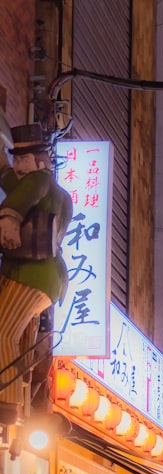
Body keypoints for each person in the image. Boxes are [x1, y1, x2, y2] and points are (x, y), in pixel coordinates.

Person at [0, 123, 72, 423]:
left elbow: (21, 196)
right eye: (16, 160)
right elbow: (9, 180)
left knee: (3, 332)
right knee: (21, 341)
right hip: (50, 279)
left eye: (23, 161)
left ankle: (7, 403)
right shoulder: (58, 193)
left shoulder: (39, 181)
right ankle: (21, 401)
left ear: (40, 162)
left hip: (31, 274)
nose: (18, 166)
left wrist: (9, 218)